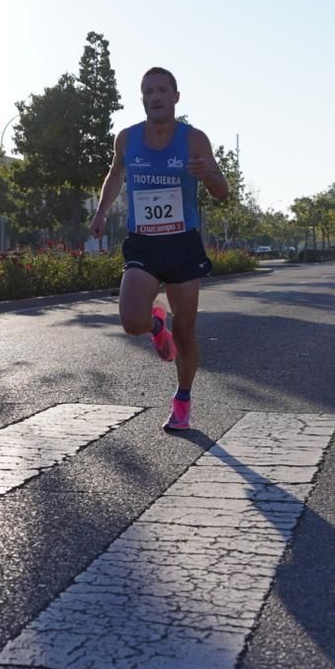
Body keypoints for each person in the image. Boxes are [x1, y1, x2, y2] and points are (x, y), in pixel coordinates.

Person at [90, 67, 230, 431]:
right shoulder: (127, 138)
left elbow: (222, 191)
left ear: (175, 97)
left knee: (185, 332)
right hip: (144, 243)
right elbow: (115, 173)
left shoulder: (194, 140)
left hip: (182, 243)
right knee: (131, 322)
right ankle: (154, 323)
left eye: (162, 91)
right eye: (148, 92)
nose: (155, 97)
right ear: (143, 99)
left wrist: (209, 175)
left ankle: (182, 399)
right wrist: (102, 210)